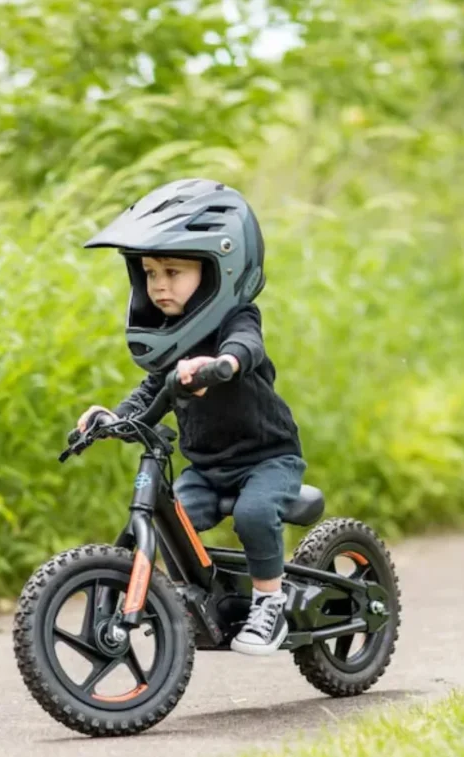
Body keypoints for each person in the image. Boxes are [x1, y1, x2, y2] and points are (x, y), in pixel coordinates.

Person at [76, 178, 305, 654]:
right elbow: (150, 389)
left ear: (216, 269)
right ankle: (201, 597)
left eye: (173, 272)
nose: (159, 285)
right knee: (173, 519)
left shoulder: (235, 320)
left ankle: (270, 603)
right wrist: (112, 417)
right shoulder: (171, 336)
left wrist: (223, 365)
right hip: (207, 468)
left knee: (255, 513)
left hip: (267, 460)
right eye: (150, 273)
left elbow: (247, 347)